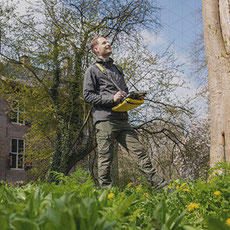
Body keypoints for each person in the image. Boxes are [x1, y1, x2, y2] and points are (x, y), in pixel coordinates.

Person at [83, 35, 167, 189]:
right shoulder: (92, 70)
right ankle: (106, 194)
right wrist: (111, 99)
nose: (108, 43)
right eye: (104, 43)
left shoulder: (117, 69)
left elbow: (123, 93)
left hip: (122, 119)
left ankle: (161, 186)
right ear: (96, 49)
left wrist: (133, 97)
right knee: (105, 158)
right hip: (105, 120)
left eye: (108, 42)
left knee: (140, 152)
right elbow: (87, 95)